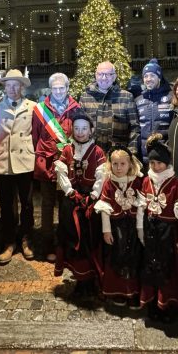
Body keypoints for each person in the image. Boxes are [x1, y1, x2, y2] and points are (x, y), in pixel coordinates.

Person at [137, 133, 178, 321]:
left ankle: (167, 304)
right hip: (151, 232)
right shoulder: (146, 181)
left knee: (169, 270)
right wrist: (140, 231)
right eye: (152, 163)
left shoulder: (175, 183)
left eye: (159, 163)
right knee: (150, 268)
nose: (155, 167)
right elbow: (141, 208)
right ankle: (152, 303)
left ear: (167, 163)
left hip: (168, 233)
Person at [54, 112, 106, 298]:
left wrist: (92, 196)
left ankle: (91, 280)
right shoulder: (67, 150)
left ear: (91, 130)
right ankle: (79, 278)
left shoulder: (98, 151)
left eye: (84, 128)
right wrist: (70, 192)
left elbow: (101, 176)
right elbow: (60, 172)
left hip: (90, 203)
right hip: (71, 201)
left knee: (89, 240)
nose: (80, 132)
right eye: (77, 128)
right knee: (72, 239)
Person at [32, 72, 80, 262]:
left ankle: (64, 245)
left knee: (66, 207)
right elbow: (35, 136)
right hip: (47, 164)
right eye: (55, 88)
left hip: (67, 166)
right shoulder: (39, 110)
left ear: (67, 88)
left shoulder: (76, 108)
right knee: (46, 206)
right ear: (50, 89)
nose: (58, 91)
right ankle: (47, 245)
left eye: (62, 88)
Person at [0, 69, 37, 265]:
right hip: (3, 161)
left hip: (25, 160)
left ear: (22, 87)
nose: (12, 88)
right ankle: (9, 242)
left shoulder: (33, 107)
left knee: (27, 204)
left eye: (16, 85)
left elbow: (37, 133)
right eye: (8, 85)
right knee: (7, 205)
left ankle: (27, 240)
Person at [94, 147, 143, 308]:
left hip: (133, 228)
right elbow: (104, 207)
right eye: (115, 164)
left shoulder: (137, 181)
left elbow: (142, 206)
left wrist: (140, 228)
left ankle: (133, 293)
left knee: (134, 259)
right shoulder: (109, 182)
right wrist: (106, 230)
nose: (119, 168)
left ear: (130, 164)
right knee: (116, 259)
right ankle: (118, 291)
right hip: (116, 228)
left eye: (122, 164)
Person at [79, 61, 140, 154]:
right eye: (100, 74)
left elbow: (134, 128)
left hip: (119, 156)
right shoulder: (85, 97)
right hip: (92, 155)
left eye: (108, 74)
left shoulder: (126, 97)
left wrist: (132, 153)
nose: (104, 78)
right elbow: (80, 126)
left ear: (114, 76)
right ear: (96, 75)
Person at [134, 59, 173, 167]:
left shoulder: (171, 97)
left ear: (159, 77)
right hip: (144, 158)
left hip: (165, 157)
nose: (148, 79)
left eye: (152, 75)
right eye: (145, 76)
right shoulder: (138, 100)